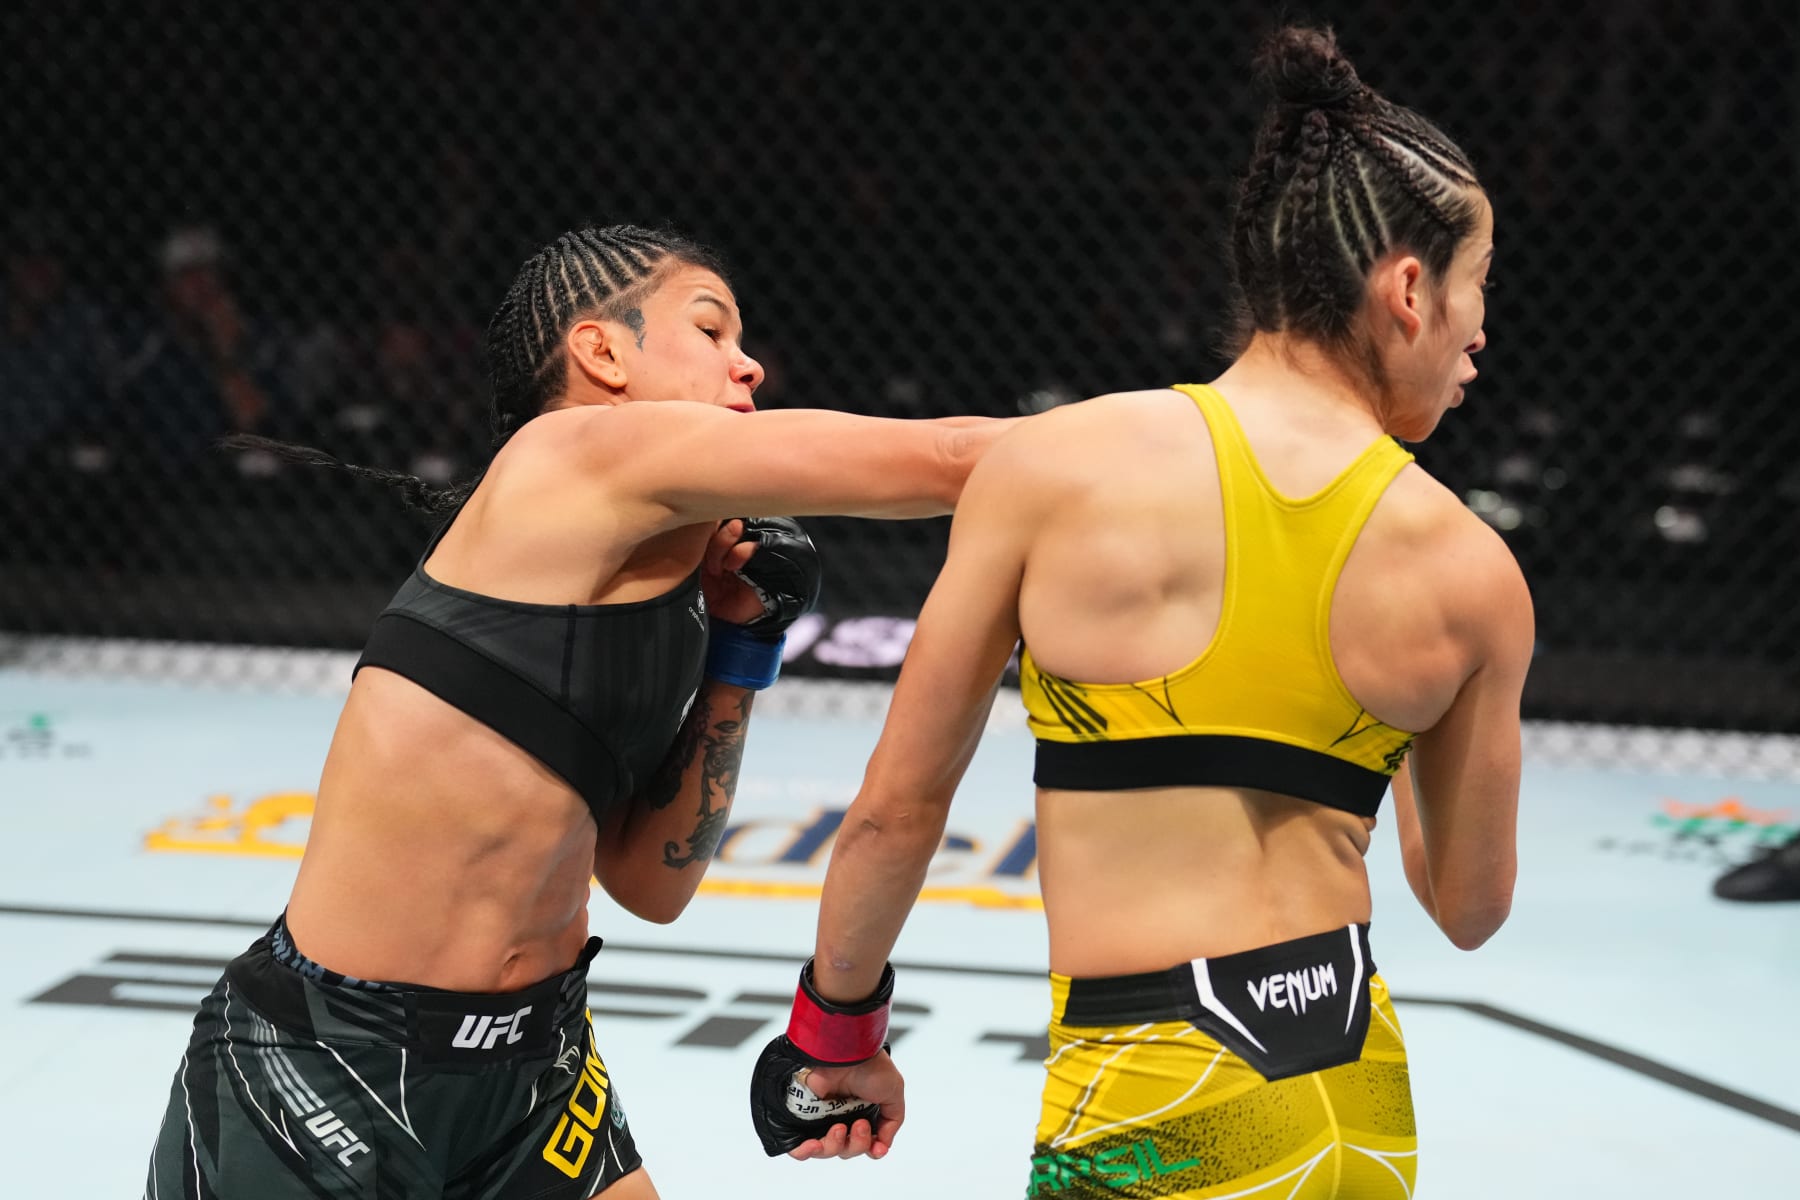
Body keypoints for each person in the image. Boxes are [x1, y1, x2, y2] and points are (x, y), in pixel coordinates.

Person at [749, 27, 1530, 1199]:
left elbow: (896, 812)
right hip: (1350, 1099)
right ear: (1407, 289)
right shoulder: (1472, 572)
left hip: (1152, 1097)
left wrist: (836, 1032)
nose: (1481, 332)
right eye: (1478, 283)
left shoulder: (1057, 470)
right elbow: (1468, 908)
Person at [145, 223, 1013, 1199]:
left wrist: (738, 655)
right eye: (711, 330)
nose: (749, 362)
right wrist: (1181, 443)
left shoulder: (652, 589)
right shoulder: (572, 450)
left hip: (536, 1065)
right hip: (321, 1067)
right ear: (601, 352)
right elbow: (950, 457)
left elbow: (652, 884)